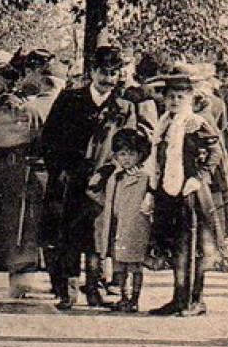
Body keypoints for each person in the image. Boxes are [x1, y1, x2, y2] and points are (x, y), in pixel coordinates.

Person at [39, 45, 149, 309]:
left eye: (113, 73)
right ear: (92, 72)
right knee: (68, 233)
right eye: (103, 72)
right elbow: (49, 138)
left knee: (99, 236)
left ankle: (94, 288)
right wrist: (60, 171)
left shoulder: (123, 107)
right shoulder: (69, 99)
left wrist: (116, 174)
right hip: (70, 179)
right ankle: (68, 290)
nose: (108, 79)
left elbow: (130, 146)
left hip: (105, 182)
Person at [147, 64, 225, 316]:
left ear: (190, 98)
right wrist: (152, 188)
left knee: (193, 246)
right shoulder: (164, 123)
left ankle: (194, 299)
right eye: (170, 96)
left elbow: (215, 153)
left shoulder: (195, 123)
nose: (175, 100)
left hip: (191, 193)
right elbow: (158, 158)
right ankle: (178, 297)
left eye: (181, 96)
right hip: (168, 192)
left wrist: (198, 177)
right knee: (175, 246)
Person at [0, 61, 47, 297]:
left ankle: (9, 280)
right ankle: (14, 279)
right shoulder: (26, 108)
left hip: (5, 169)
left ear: (4, 83)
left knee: (8, 224)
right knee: (14, 224)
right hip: (16, 169)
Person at [96, 127, 153, 312]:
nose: (126, 158)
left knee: (135, 264)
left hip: (135, 226)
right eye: (122, 154)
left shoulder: (144, 177)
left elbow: (151, 198)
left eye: (131, 154)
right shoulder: (113, 177)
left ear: (140, 155)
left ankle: (135, 298)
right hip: (116, 225)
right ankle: (123, 296)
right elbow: (104, 196)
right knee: (118, 264)